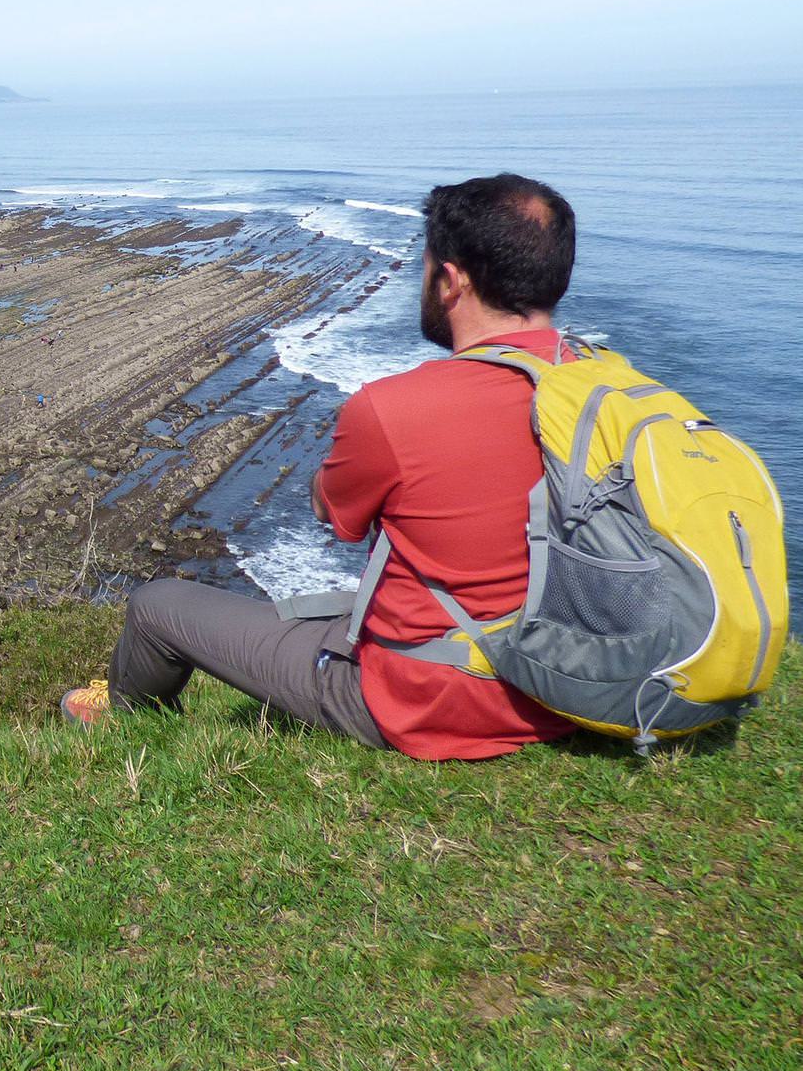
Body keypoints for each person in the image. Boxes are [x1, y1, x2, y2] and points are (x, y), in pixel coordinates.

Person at [60, 173, 583, 763]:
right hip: (579, 683)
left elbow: (336, 515)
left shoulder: (394, 407)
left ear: (451, 280)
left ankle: (120, 728)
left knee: (157, 605)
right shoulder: (613, 392)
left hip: (430, 701)